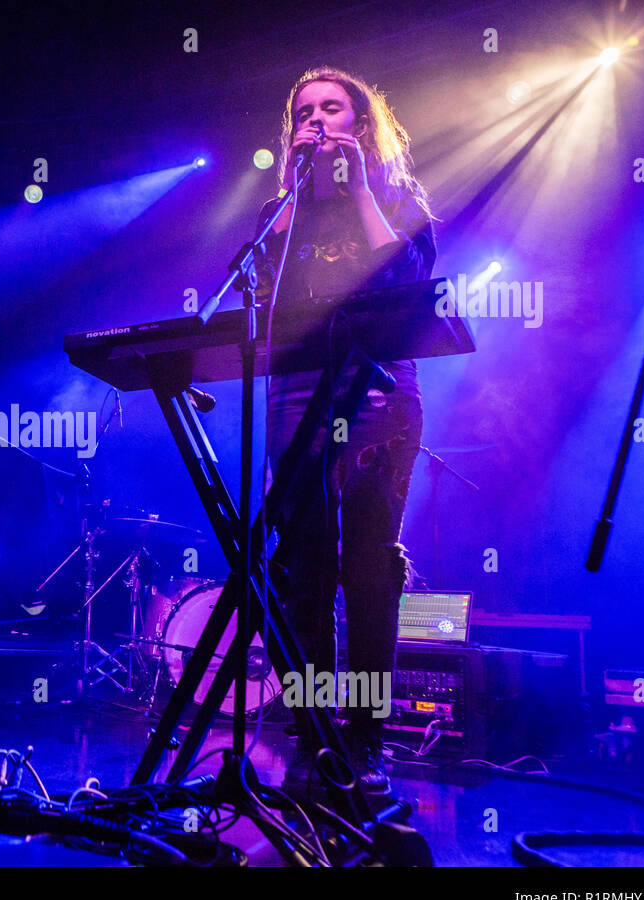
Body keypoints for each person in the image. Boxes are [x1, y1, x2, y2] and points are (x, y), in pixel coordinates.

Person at [255, 67, 436, 796]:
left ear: (362, 125)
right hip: (297, 393)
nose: (318, 121)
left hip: (380, 394)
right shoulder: (283, 211)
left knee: (367, 572)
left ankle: (364, 740)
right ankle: (310, 732)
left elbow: (408, 283)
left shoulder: (396, 197)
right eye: (305, 112)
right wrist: (298, 193)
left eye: (334, 109)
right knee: (303, 574)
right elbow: (261, 300)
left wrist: (358, 183)